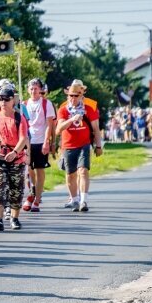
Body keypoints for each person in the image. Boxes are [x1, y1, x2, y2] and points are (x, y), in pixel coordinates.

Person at [55, 80, 103, 212]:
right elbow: (58, 129)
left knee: (83, 170)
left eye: (76, 95)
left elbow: (96, 129)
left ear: (82, 96)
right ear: (67, 96)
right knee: (71, 174)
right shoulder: (63, 110)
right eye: (71, 95)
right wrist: (71, 119)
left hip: (84, 145)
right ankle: (74, 200)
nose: (73, 98)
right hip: (68, 146)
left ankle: (83, 200)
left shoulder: (89, 109)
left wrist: (98, 146)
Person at [0, 86, 29, 230]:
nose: (3, 102)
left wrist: (14, 152)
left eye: (6, 99)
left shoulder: (19, 118)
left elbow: (23, 138)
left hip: (17, 158)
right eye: (1, 98)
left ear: (13, 100)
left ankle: (14, 218)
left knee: (16, 190)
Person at [23, 78, 55, 213]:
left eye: (36, 88)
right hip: (29, 142)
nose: (33, 91)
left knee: (39, 170)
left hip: (41, 140)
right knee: (29, 170)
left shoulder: (46, 104)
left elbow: (50, 124)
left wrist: (48, 142)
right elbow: (22, 124)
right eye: (31, 88)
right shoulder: (24, 104)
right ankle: (31, 193)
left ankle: (37, 199)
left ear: (40, 89)